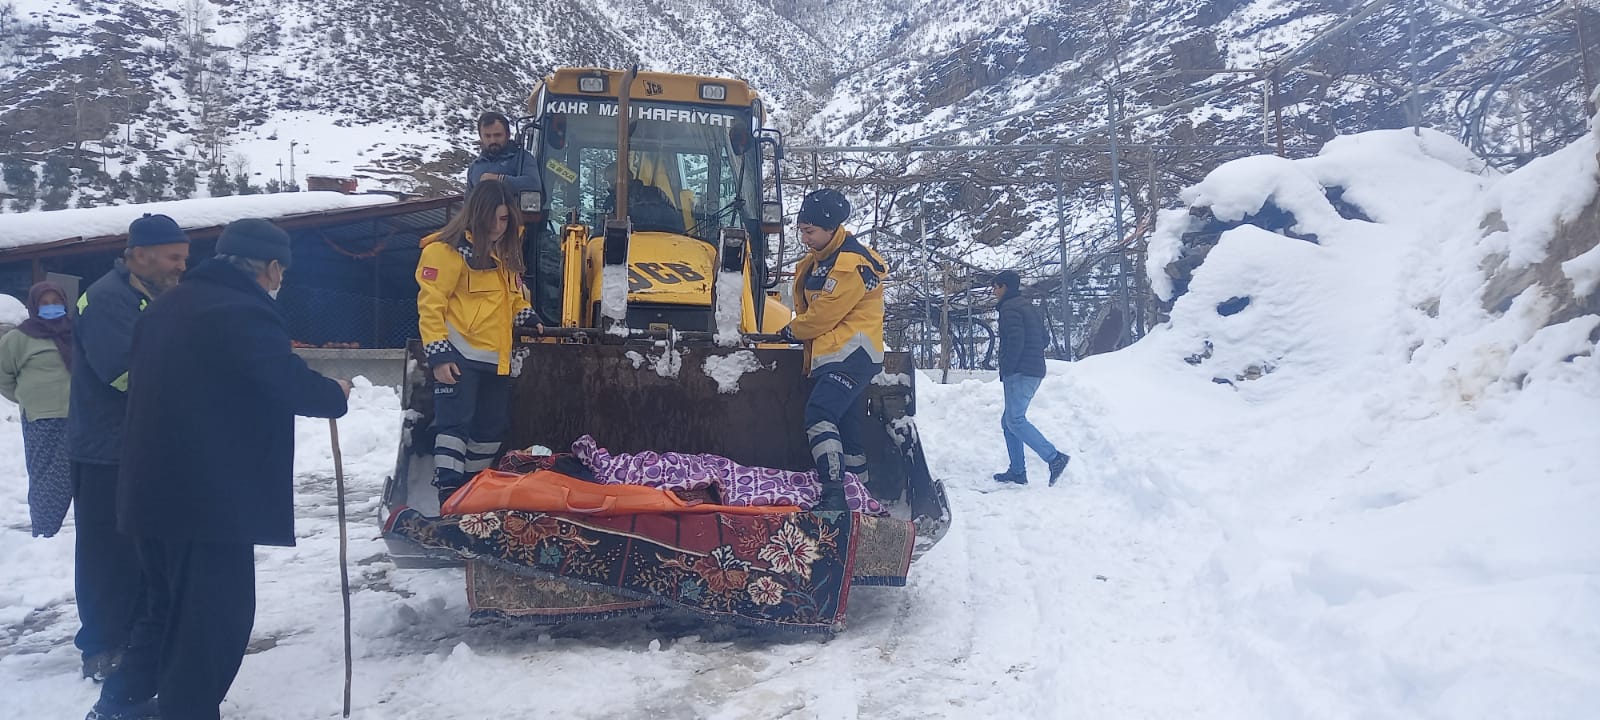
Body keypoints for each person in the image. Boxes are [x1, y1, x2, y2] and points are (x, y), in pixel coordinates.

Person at [86, 218, 350, 720]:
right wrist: (333, 393)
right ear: (271, 268)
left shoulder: (166, 306)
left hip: (150, 490)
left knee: (162, 611)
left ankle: (122, 705)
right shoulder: (242, 311)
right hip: (208, 502)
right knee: (213, 623)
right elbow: (283, 381)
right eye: (280, 272)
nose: (279, 281)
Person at [68, 213, 190, 681]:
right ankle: (100, 645)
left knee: (146, 549)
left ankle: (141, 635)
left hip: (143, 445)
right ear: (140, 255)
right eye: (173, 258)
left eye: (184, 258)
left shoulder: (157, 297)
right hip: (105, 449)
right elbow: (124, 374)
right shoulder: (105, 300)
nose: (181, 267)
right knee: (106, 551)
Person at [416, 179, 537, 505]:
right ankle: (449, 497)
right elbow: (431, 304)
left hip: (495, 359)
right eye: (497, 219)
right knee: (454, 428)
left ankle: (470, 493)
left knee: (490, 430)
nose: (501, 227)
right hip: (459, 358)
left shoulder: (502, 257)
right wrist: (439, 355)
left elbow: (512, 297)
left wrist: (526, 314)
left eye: (506, 220)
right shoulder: (444, 252)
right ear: (479, 215)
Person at [778, 189, 888, 512]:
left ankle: (834, 494)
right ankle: (860, 490)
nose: (804, 238)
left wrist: (791, 330)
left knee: (820, 413)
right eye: (801, 230)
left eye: (810, 231)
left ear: (830, 228)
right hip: (836, 354)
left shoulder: (850, 265)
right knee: (847, 424)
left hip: (851, 354)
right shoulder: (820, 261)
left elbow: (825, 314)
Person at [0, 282, 75, 538]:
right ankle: (45, 532)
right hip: (41, 416)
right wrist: (26, 397)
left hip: (78, 413)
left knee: (78, 472)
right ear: (34, 305)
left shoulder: (75, 332)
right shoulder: (18, 338)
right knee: (45, 475)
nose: (52, 307)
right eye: (45, 302)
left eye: (57, 301)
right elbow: (4, 375)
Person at [990, 270, 1070, 486]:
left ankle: (1055, 458)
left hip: (1020, 372)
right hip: (1032, 369)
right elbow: (1043, 338)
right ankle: (1017, 471)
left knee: (1015, 420)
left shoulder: (1009, 308)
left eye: (995, 286)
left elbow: (1015, 341)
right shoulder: (1026, 306)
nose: (994, 290)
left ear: (1004, 286)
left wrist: (1008, 366)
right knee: (1009, 422)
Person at [467, 111, 542, 194]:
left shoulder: (523, 159)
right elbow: (468, 202)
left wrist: (499, 179)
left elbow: (534, 184)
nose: (493, 140)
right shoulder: (475, 167)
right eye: (487, 136)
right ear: (481, 137)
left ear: (508, 135)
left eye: (498, 135)